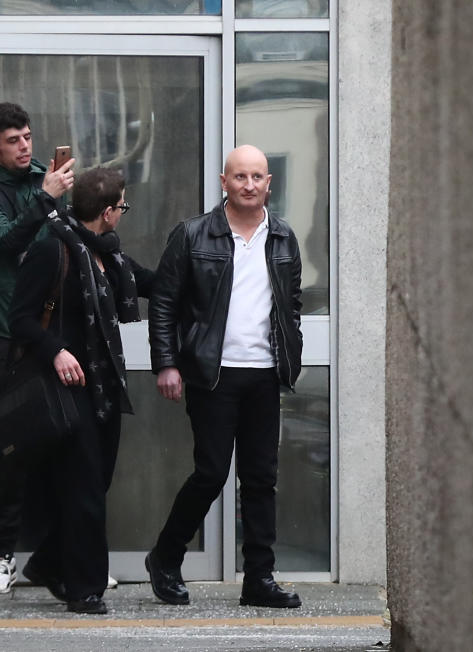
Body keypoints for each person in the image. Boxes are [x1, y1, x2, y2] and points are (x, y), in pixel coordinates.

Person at [145, 144, 304, 609]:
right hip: (212, 374)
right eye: (240, 177)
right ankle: (166, 557)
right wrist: (167, 363)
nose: (249, 185)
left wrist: (288, 352)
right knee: (212, 472)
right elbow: (164, 304)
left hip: (263, 374)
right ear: (223, 182)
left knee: (261, 478)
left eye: (257, 177)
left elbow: (289, 304)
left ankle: (259, 579)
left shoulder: (283, 237)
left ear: (268, 183)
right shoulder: (193, 235)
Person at [8, 167, 153, 614]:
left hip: (103, 387)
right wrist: (56, 351)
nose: (122, 215)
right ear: (108, 212)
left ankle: (50, 564)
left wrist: (200, 274)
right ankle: (84, 589)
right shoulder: (53, 248)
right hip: (66, 388)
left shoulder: (107, 254)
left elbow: (150, 281)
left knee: (95, 483)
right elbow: (21, 317)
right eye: (122, 207)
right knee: (86, 489)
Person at [0, 102, 75, 594]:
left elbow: (68, 245)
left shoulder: (43, 182)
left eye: (28, 136)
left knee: (68, 444)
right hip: (6, 336)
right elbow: (5, 242)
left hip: (55, 336)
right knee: (9, 449)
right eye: (14, 140)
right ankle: (3, 557)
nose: (25, 146)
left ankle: (70, 553)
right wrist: (46, 198)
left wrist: (57, 197)